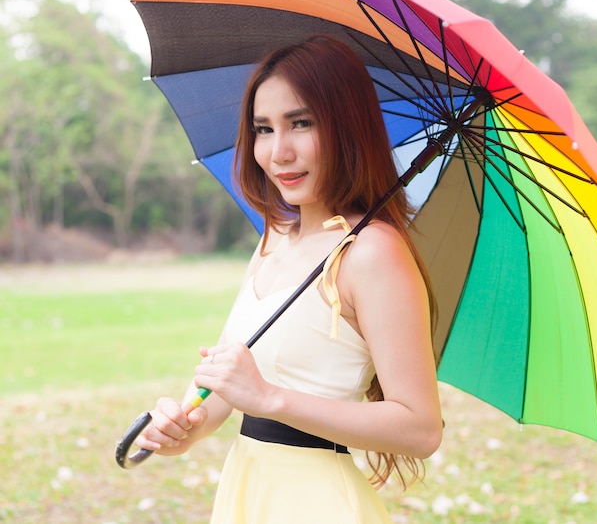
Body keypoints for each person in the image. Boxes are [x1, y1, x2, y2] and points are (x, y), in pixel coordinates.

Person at [135, 35, 443, 523]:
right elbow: (228, 386)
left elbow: (420, 429)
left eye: (301, 123)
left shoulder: (373, 252)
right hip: (248, 492)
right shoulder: (274, 238)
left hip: (317, 504)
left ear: (347, 127)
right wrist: (185, 427)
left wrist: (271, 399)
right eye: (263, 128)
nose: (278, 151)